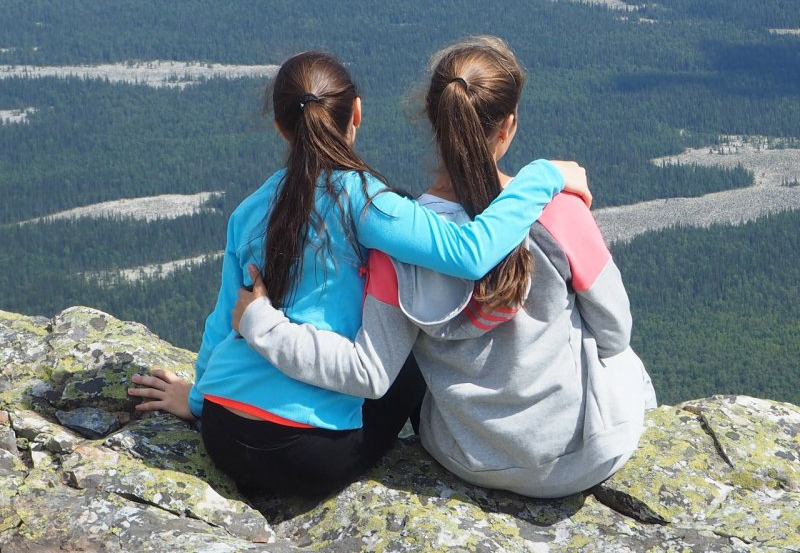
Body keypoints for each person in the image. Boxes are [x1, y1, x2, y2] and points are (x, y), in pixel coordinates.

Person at [128, 49, 591, 496]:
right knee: (412, 355)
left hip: (224, 436)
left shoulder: (248, 211)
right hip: (310, 457)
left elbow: (221, 323)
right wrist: (543, 176)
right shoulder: (370, 202)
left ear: (281, 128)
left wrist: (195, 402)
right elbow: (470, 253)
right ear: (357, 114)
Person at [234, 36, 656, 498]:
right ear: (508, 125)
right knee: (623, 363)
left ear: (433, 119)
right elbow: (615, 330)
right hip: (587, 455)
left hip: (467, 457)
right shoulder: (559, 213)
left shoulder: (402, 241)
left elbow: (374, 367)